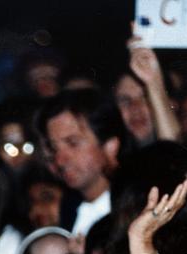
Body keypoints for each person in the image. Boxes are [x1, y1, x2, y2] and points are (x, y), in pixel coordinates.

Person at [36, 88, 123, 237]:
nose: (60, 160)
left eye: (73, 143)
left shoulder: (130, 207)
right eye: (54, 148)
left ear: (110, 146)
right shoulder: (67, 209)